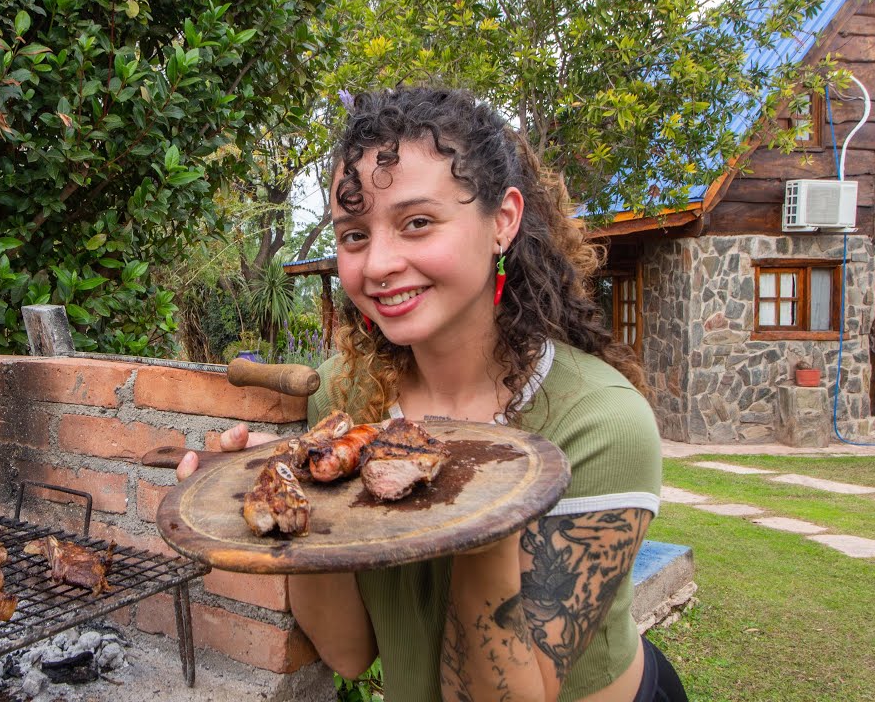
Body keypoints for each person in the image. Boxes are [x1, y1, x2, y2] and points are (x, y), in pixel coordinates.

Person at [178, 87, 687, 702]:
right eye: (354, 235)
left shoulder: (599, 424)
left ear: (502, 221)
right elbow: (349, 652)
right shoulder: (350, 395)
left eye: (417, 222)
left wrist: (489, 511)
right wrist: (292, 496)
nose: (379, 264)